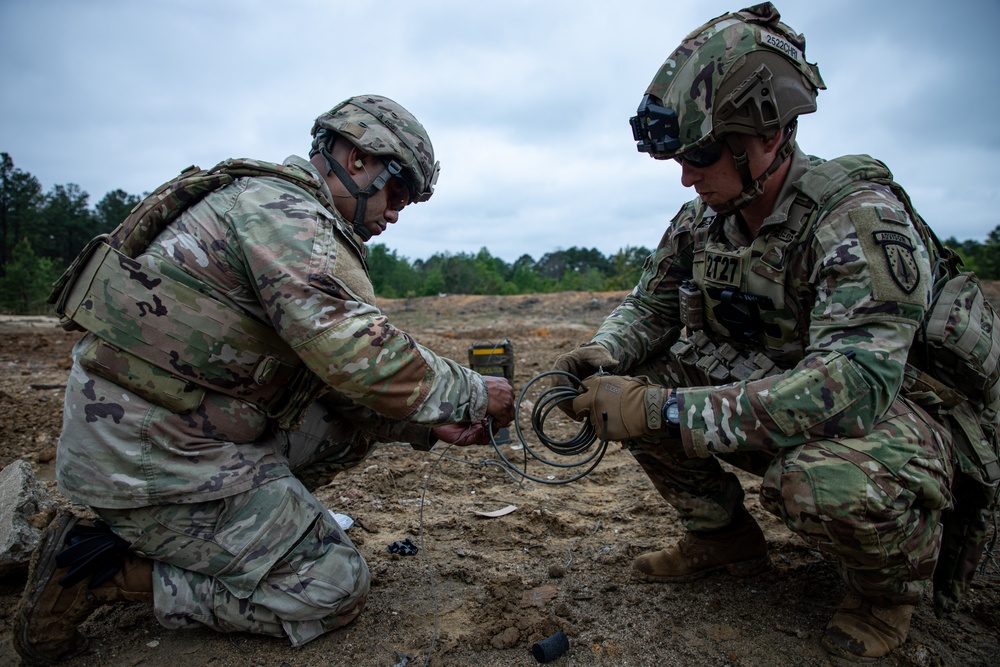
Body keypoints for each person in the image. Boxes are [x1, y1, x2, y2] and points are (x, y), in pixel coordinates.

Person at [15, 94, 516, 664]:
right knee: (333, 587)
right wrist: (473, 391)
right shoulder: (282, 212)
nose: (397, 213)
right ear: (359, 161)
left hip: (167, 431)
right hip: (145, 456)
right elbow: (354, 352)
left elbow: (329, 382)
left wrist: (430, 429)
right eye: (397, 193)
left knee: (344, 425)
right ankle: (99, 570)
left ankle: (227, 535)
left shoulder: (271, 204)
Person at [555, 3, 965, 661]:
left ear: (770, 137)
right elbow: (649, 307)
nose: (687, 176)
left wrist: (662, 409)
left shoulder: (856, 221)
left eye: (703, 154)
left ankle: (886, 591)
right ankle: (722, 538)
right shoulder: (706, 217)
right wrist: (606, 352)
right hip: (774, 396)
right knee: (625, 386)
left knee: (812, 479)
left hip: (891, 423)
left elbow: (851, 388)